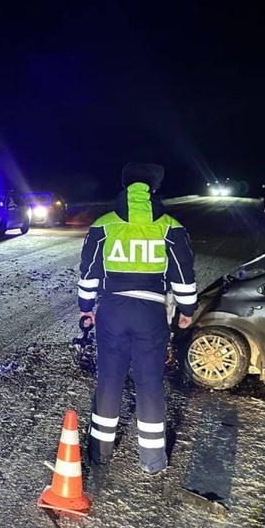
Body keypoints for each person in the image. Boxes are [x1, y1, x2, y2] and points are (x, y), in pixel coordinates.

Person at [76, 162, 197, 475]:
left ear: (124, 189)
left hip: (112, 311)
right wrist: (186, 310)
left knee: (109, 380)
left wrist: (86, 306)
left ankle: (99, 454)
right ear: (153, 190)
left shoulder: (103, 225)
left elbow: (89, 272)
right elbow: (183, 274)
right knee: (149, 384)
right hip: (151, 314)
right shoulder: (171, 226)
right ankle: (152, 460)